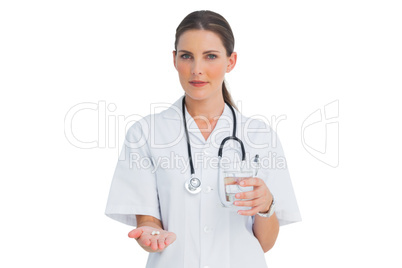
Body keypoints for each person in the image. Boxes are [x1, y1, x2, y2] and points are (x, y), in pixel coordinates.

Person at [105, 10, 301, 268]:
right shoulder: (146, 134)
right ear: (174, 60)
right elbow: (148, 222)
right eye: (187, 56)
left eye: (211, 56)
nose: (197, 70)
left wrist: (266, 205)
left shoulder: (260, 136)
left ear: (231, 61)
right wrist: (152, 235)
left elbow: (265, 243)